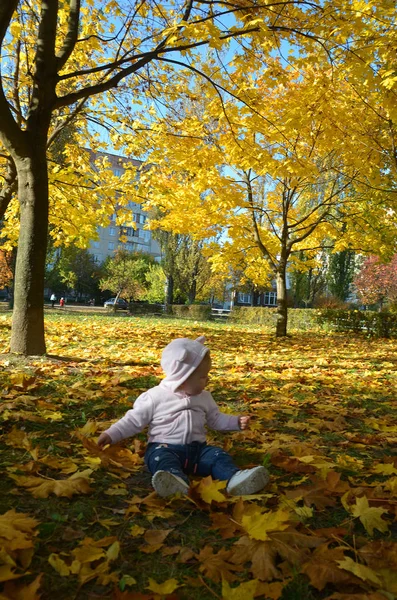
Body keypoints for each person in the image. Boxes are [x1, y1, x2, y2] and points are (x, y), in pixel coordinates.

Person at [97, 336, 269, 497]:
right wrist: (112, 434)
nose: (207, 380)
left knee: (218, 455)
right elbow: (133, 420)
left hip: (198, 451)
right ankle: (174, 481)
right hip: (164, 447)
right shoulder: (155, 397)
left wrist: (235, 422)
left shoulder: (204, 397)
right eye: (203, 376)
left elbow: (215, 419)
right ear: (183, 377)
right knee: (159, 459)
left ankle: (234, 478)